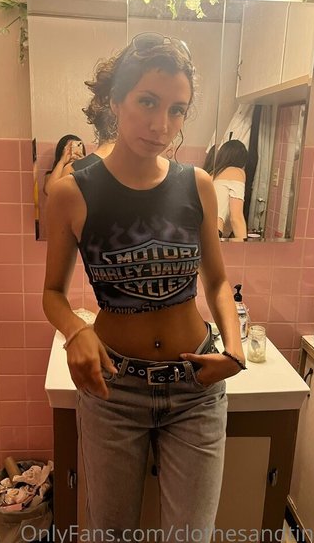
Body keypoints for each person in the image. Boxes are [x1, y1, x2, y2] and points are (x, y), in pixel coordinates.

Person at [43, 32, 246, 541]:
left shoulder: (197, 184)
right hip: (114, 390)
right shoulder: (71, 194)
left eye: (178, 110)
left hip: (196, 389)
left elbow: (218, 280)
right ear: (116, 102)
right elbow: (52, 294)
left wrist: (235, 349)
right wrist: (75, 330)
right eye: (148, 102)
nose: (162, 125)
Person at [209, 139, 248, 240]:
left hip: (199, 230)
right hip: (214, 232)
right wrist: (244, 245)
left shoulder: (213, 174)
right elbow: (236, 217)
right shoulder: (237, 172)